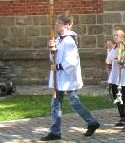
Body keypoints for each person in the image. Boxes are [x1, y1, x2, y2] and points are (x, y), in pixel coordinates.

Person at [41, 13, 99, 141]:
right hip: (60, 78)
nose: (56, 24)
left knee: (73, 101)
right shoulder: (58, 39)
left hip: (67, 77)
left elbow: (72, 61)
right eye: (56, 22)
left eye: (59, 23)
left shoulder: (69, 41)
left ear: (67, 25)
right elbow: (54, 58)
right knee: (55, 103)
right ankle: (55, 131)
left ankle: (92, 122)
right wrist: (51, 49)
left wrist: (57, 67)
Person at [106, 28, 125, 127]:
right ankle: (122, 116)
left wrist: (111, 49)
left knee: (122, 97)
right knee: (116, 97)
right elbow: (109, 59)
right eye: (114, 35)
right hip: (114, 76)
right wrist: (110, 48)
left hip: (122, 76)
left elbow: (118, 59)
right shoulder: (115, 47)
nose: (114, 37)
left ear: (122, 37)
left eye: (117, 35)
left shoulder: (123, 47)